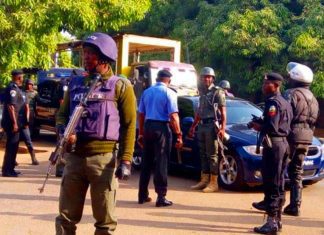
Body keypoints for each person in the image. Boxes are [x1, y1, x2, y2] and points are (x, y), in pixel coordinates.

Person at [55, 32, 137, 234]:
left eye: (90, 53)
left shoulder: (121, 86)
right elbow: (62, 116)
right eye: (85, 53)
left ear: (104, 56)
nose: (86, 57)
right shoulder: (75, 84)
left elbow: (129, 125)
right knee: (65, 218)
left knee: (105, 222)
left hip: (103, 161)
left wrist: (126, 160)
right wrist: (64, 133)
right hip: (74, 158)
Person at [250, 73, 292, 234]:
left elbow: (272, 127)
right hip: (283, 144)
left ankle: (271, 222)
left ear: (275, 85)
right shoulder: (285, 102)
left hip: (274, 145)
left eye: (266, 83)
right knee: (279, 181)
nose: (263, 85)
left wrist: (258, 126)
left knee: (272, 182)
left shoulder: (273, 103)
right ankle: (278, 219)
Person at [137, 69, 183, 207]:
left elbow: (141, 114)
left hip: (148, 127)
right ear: (168, 80)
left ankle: (142, 195)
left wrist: (141, 133)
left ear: (157, 79)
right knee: (161, 162)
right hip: (162, 128)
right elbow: (173, 116)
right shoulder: (169, 93)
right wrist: (179, 135)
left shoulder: (146, 92)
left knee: (146, 162)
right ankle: (161, 197)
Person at [283, 62, 319, 216]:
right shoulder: (313, 98)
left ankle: (274, 203)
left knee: (279, 169)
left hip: (291, 135)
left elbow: (284, 116)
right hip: (307, 137)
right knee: (297, 171)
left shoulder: (290, 93)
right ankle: (295, 205)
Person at [188, 67, 226, 193]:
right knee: (203, 154)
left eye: (209, 77)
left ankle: (214, 183)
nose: (206, 79)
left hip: (211, 125)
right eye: (204, 77)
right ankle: (204, 180)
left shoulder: (217, 92)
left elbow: (223, 112)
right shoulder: (202, 93)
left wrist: (222, 128)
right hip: (202, 125)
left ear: (213, 78)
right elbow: (199, 112)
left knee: (212, 155)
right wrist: (193, 126)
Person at [1, 69, 29, 177]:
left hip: (17, 123)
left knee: (14, 146)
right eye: (22, 77)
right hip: (11, 123)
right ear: (18, 77)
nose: (23, 79)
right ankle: (7, 170)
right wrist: (14, 123)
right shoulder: (12, 89)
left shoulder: (18, 89)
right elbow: (11, 107)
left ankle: (10, 168)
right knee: (11, 146)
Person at [20, 79, 39, 165]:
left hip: (30, 113)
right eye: (28, 84)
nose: (29, 85)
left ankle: (33, 158)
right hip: (20, 116)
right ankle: (13, 160)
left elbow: (39, 101)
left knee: (28, 138)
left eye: (30, 84)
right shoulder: (22, 93)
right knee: (14, 141)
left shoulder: (35, 93)